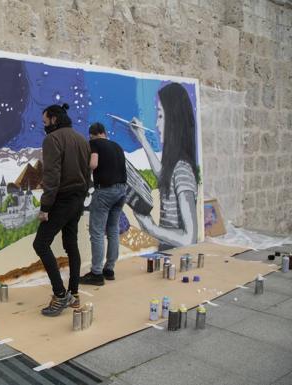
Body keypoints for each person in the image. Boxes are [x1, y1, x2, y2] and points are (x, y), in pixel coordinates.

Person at [32, 103, 91, 317]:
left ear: (54, 119)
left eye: (45, 121)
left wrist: (46, 207)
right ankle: (74, 294)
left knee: (40, 243)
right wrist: (81, 198)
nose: (44, 125)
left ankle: (60, 295)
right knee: (71, 244)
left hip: (62, 199)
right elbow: (87, 174)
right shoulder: (81, 139)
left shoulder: (52, 139)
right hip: (78, 198)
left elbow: (52, 176)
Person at [130, 82, 198, 249]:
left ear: (174, 119)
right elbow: (163, 175)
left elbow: (190, 239)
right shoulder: (175, 168)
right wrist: (142, 139)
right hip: (168, 253)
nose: (156, 124)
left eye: (160, 115)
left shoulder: (182, 170)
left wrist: (152, 228)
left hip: (177, 257)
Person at [79, 122, 127, 286]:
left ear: (92, 135)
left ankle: (96, 273)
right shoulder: (117, 146)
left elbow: (93, 164)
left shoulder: (94, 144)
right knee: (112, 229)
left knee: (97, 232)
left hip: (105, 191)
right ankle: (109, 269)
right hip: (121, 191)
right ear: (104, 132)